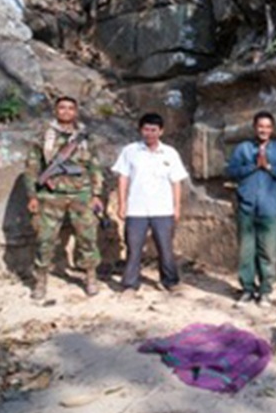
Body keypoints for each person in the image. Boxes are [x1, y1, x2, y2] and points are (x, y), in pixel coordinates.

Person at [24, 96, 103, 299]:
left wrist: (96, 194)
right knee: (45, 239)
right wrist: (32, 195)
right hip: (50, 196)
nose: (66, 111)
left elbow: (94, 167)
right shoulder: (44, 136)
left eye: (70, 108)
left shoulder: (84, 138)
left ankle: (90, 276)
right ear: (56, 111)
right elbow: (32, 167)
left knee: (87, 238)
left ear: (75, 112)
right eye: (62, 108)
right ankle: (40, 280)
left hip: (81, 195)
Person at [112, 113, 189, 295]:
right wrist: (122, 204)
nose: (150, 133)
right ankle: (130, 284)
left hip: (162, 209)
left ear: (161, 131)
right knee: (133, 248)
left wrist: (176, 207)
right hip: (136, 209)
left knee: (165, 248)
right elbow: (123, 178)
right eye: (146, 129)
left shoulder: (170, 153)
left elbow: (176, 182)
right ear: (140, 130)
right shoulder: (130, 151)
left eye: (154, 130)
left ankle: (170, 281)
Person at [226, 111, 276, 307]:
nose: (263, 130)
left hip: (269, 209)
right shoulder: (243, 149)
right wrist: (253, 167)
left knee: (268, 253)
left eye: (267, 127)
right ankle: (247, 290)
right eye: (260, 126)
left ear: (272, 129)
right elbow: (231, 171)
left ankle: (265, 291)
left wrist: (270, 167)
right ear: (254, 127)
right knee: (246, 252)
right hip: (246, 208)